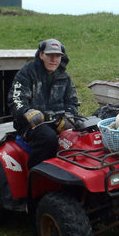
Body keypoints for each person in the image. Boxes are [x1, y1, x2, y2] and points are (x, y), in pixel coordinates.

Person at [7, 38, 79, 169]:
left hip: (58, 121)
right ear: (41, 55)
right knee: (48, 138)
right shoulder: (27, 73)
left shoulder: (64, 77)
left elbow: (72, 101)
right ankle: (37, 175)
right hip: (31, 124)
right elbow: (15, 99)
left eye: (57, 56)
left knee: (82, 135)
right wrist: (26, 112)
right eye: (49, 55)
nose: (53, 59)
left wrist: (69, 115)